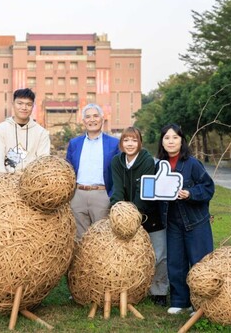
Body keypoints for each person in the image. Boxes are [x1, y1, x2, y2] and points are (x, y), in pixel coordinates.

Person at [156, 124, 215, 315]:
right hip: (172, 221)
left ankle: (201, 304)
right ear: (162, 142)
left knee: (199, 262)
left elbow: (208, 188)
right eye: (166, 138)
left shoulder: (192, 163)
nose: (171, 141)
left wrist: (190, 193)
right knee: (176, 262)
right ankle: (180, 301)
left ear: (181, 140)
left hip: (195, 221)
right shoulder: (160, 165)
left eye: (175, 137)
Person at [109, 127, 169, 307]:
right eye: (126, 140)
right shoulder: (116, 161)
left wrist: (133, 214)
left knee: (158, 254)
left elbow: (144, 191)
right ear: (121, 143)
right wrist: (116, 209)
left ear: (140, 143)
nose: (130, 144)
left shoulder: (147, 160)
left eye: (134, 140)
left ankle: (159, 291)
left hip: (149, 213)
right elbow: (118, 188)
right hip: (127, 216)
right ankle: (133, 288)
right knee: (131, 254)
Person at [66, 103, 120, 240]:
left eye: (96, 116)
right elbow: (68, 170)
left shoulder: (114, 144)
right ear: (83, 121)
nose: (92, 120)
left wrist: (111, 196)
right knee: (79, 239)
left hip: (102, 195)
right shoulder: (74, 143)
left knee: (102, 238)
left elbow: (119, 173)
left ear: (102, 118)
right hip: (78, 195)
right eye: (88, 117)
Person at [0, 88, 50, 173]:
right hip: (6, 182)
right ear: (13, 104)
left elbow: (43, 161)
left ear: (33, 106)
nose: (24, 107)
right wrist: (3, 181)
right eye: (20, 103)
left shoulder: (41, 132)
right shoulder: (0, 130)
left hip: (33, 182)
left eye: (28, 104)